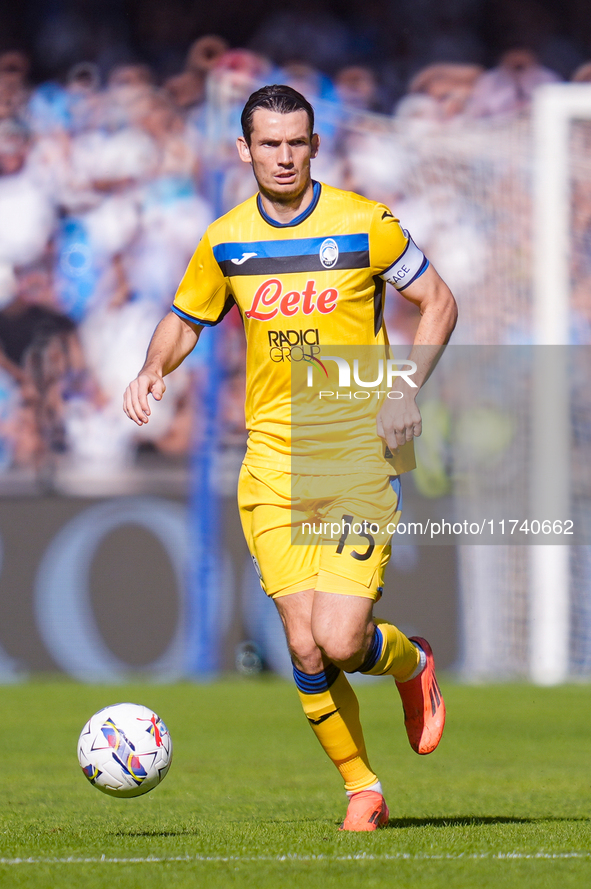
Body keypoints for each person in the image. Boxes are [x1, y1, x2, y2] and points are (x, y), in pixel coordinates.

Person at [123, 84, 458, 831]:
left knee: (341, 638)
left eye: (295, 142)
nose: (282, 156)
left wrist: (405, 386)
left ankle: (410, 662)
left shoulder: (363, 224)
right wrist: (154, 368)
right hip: (270, 461)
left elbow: (438, 300)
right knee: (303, 646)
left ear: (314, 145)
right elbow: (184, 319)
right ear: (243, 149)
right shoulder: (224, 241)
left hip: (357, 452)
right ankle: (361, 789)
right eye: (268, 143)